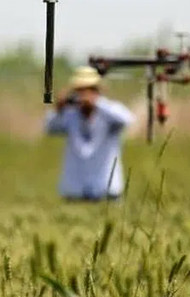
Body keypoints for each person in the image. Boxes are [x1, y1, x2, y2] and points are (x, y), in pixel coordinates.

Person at [45, 66, 136, 201]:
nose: (83, 96)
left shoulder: (108, 112)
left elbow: (128, 119)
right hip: (75, 191)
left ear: (97, 91)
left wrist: (96, 102)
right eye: (80, 91)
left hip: (106, 189)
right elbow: (49, 127)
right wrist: (59, 109)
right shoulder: (70, 115)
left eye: (89, 90)